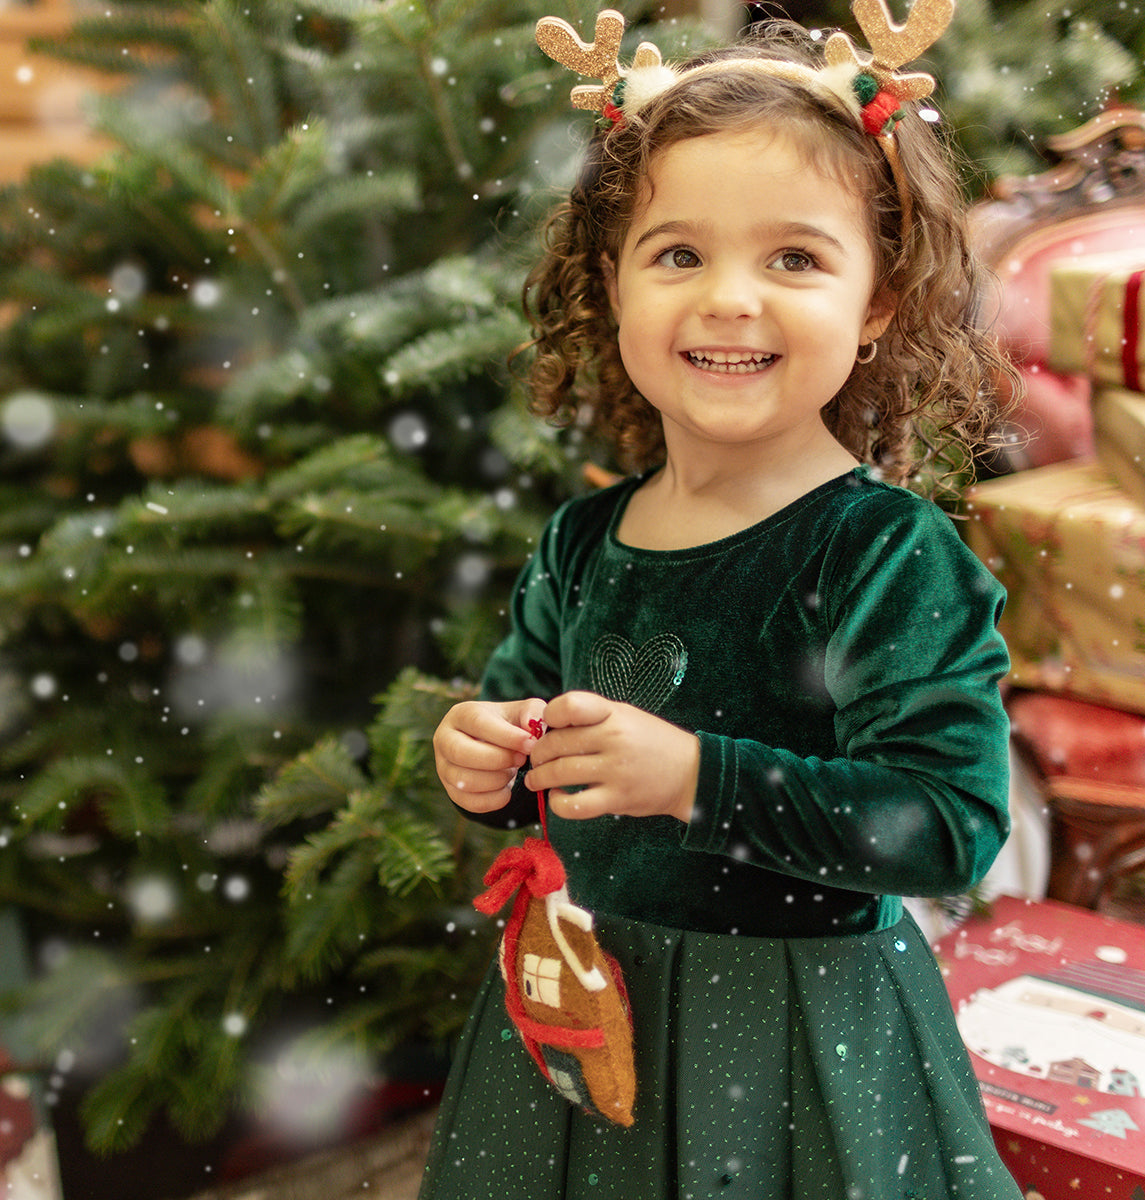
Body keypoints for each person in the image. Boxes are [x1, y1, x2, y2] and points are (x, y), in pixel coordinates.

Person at [422, 4, 1024, 1197]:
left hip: (801, 1031)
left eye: (794, 257)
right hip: (592, 1007)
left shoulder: (878, 553)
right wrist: (481, 755)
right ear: (613, 284)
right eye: (678, 253)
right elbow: (525, 736)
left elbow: (947, 822)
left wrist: (698, 778)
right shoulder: (586, 538)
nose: (728, 299)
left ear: (880, 302)